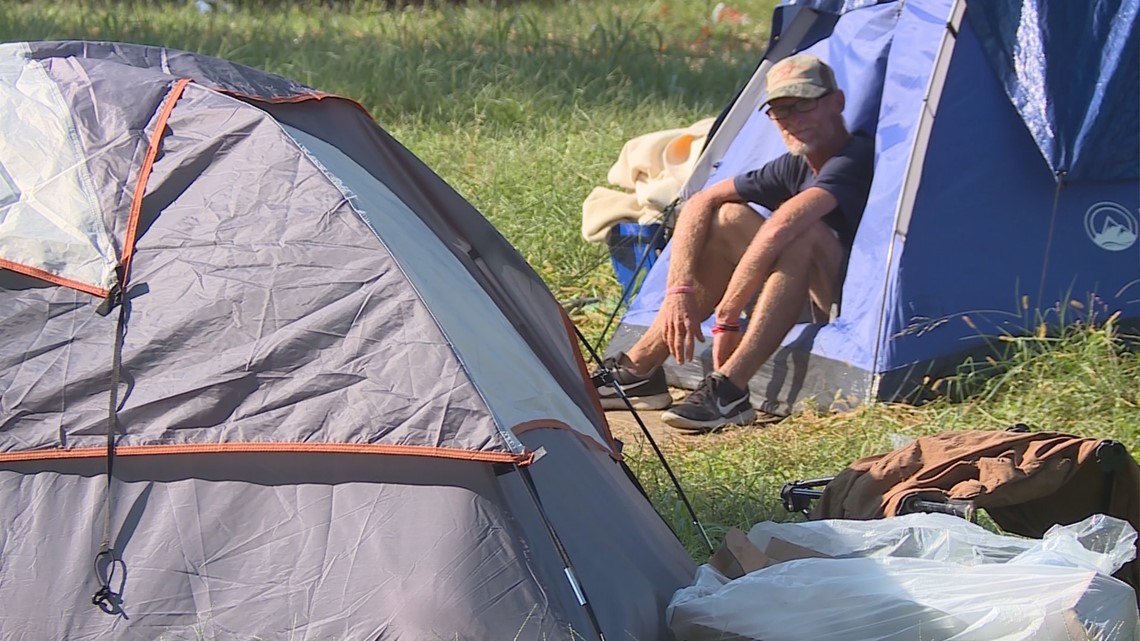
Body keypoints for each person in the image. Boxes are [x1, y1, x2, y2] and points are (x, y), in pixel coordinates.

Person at [595, 54, 875, 432]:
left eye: (803, 104)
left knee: (802, 232)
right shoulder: (797, 163)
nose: (792, 120)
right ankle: (640, 369)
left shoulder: (852, 158)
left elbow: (781, 227)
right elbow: (698, 201)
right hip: (792, 288)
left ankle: (730, 388)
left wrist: (727, 316)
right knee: (726, 215)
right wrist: (677, 292)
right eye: (780, 111)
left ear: (837, 102)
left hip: (848, 306)